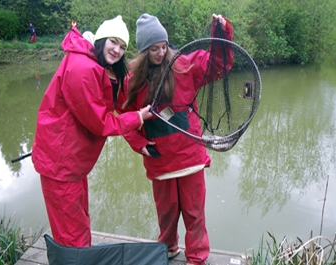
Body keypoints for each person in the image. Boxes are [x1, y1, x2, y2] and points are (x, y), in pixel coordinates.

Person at [117, 13, 233, 265]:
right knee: (166, 213)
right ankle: (168, 249)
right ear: (144, 50)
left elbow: (217, 65)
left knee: (194, 214)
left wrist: (221, 33)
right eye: (153, 49)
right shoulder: (133, 81)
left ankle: (197, 258)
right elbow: (125, 119)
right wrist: (140, 146)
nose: (160, 53)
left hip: (190, 157)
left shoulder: (185, 66)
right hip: (160, 162)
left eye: (163, 47)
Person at [31, 15, 152, 248]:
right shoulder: (82, 68)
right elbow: (100, 122)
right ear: (101, 39)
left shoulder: (95, 66)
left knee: (79, 223)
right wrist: (137, 117)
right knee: (71, 236)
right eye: (113, 42)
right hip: (60, 164)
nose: (117, 50)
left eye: (122, 46)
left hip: (70, 163)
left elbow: (109, 101)